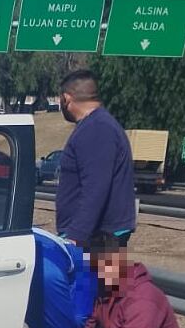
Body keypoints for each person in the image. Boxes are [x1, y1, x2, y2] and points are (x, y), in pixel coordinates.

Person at [54, 70, 136, 249]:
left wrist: (76, 234)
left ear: (67, 98)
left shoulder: (96, 129)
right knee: (107, 278)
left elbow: (96, 187)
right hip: (95, 236)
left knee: (101, 279)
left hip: (98, 240)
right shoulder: (97, 125)